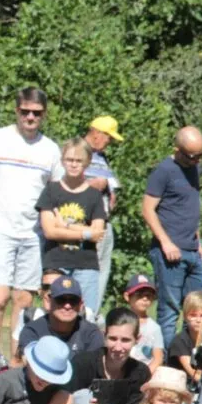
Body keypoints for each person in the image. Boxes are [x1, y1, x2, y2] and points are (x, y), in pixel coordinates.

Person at [0, 88, 62, 352]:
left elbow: (57, 193)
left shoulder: (50, 149)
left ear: (44, 114)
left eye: (36, 112)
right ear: (16, 111)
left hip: (33, 233)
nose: (30, 117)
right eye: (25, 111)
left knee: (24, 299)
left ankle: (17, 362)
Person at [144, 126, 202, 349]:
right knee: (170, 311)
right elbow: (148, 209)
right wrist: (165, 242)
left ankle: (193, 358)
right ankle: (170, 364)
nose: (197, 160)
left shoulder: (196, 168)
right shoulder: (164, 171)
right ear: (177, 150)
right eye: (192, 156)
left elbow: (188, 206)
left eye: (201, 154)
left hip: (191, 249)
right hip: (169, 252)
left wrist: (197, 240)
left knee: (200, 307)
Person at [35, 137, 107, 317]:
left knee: (86, 314)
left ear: (87, 162)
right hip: (56, 262)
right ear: (62, 161)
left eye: (79, 161)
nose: (74, 165)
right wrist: (85, 233)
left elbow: (98, 233)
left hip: (86, 264)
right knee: (54, 312)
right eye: (69, 160)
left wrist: (65, 225)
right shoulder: (52, 190)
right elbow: (50, 231)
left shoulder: (94, 196)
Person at [84, 116, 122, 313]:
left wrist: (109, 189)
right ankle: (84, 314)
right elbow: (65, 183)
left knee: (101, 272)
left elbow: (110, 183)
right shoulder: (78, 152)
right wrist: (92, 185)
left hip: (105, 221)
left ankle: (93, 313)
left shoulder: (101, 156)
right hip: (86, 223)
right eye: (109, 137)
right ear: (97, 133)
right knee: (88, 272)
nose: (110, 142)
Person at [17, 275, 103, 361]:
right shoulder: (32, 331)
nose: (67, 306)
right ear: (49, 301)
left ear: (81, 304)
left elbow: (93, 370)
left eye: (73, 300)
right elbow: (31, 368)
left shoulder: (91, 334)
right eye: (61, 300)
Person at [166, 291, 202, 382]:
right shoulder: (179, 341)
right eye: (193, 315)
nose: (198, 320)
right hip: (183, 384)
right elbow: (195, 375)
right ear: (185, 317)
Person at [125, 275, 165, 371]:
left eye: (149, 295)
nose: (145, 298)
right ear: (127, 296)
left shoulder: (154, 328)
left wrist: (145, 375)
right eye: (139, 294)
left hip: (144, 372)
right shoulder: (119, 322)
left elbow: (158, 358)